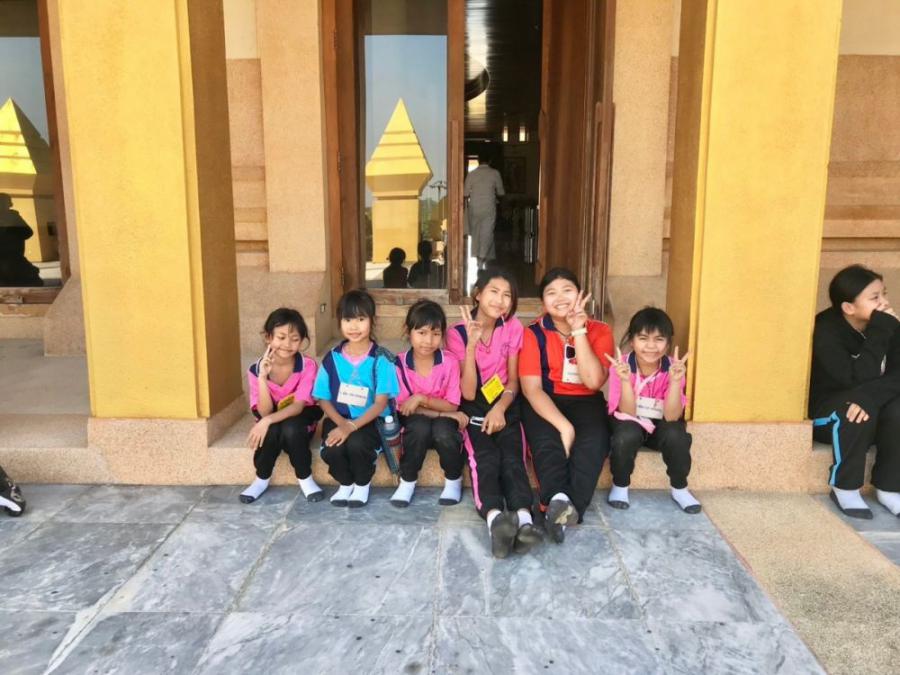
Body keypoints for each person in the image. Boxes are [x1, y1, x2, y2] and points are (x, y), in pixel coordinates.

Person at [446, 266, 541, 558]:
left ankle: (524, 520)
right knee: (485, 460)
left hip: (506, 405)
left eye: (507, 295)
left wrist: (500, 409)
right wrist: (472, 345)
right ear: (478, 294)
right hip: (474, 411)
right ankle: (495, 521)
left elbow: (512, 381)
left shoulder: (512, 327)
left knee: (513, 458)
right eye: (494, 292)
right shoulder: (456, 333)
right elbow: (468, 393)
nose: (500, 300)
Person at [519, 268, 614, 543]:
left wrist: (579, 330)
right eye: (551, 293)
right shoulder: (533, 333)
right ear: (543, 302)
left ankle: (561, 509)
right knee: (546, 442)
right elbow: (531, 389)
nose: (560, 298)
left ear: (580, 294)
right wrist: (564, 427)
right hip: (546, 398)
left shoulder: (601, 330)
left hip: (586, 399)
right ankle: (558, 501)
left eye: (567, 290)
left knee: (594, 442)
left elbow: (593, 381)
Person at [810, 264, 900, 519]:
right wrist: (881, 331)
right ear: (849, 307)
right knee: (854, 410)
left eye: (884, 294)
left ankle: (889, 487)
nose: (884, 303)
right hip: (829, 412)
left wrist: (869, 396)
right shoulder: (827, 329)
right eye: (875, 298)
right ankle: (845, 487)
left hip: (871, 403)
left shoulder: (887, 325)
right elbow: (852, 379)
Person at [605, 308, 698, 513]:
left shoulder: (674, 367)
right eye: (643, 338)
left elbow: (672, 416)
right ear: (632, 341)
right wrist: (625, 380)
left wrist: (675, 381)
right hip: (630, 421)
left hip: (659, 424)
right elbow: (627, 413)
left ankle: (680, 489)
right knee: (626, 434)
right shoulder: (620, 366)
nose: (650, 346)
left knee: (676, 434)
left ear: (668, 344)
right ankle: (620, 485)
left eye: (659, 339)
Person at [313, 289, 400, 507]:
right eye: (348, 319)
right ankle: (346, 483)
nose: (354, 326)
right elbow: (322, 398)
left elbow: (380, 403)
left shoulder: (381, 358)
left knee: (357, 445)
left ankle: (362, 484)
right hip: (339, 418)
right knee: (333, 448)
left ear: (372, 320)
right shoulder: (332, 358)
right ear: (339, 322)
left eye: (361, 319)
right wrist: (342, 424)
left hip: (371, 421)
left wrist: (351, 426)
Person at [240, 308, 324, 504]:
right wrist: (262, 378)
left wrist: (266, 420)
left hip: (301, 417)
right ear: (268, 337)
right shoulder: (255, 370)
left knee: (291, 428)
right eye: (281, 337)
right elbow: (265, 411)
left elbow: (298, 407)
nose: (287, 344)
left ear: (302, 341)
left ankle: (305, 477)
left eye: (294, 339)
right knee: (271, 431)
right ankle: (261, 479)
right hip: (273, 416)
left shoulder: (307, 365)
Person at [390, 300, 468, 507]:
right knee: (419, 427)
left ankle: (453, 479)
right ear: (409, 331)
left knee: (444, 431)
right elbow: (406, 408)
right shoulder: (399, 364)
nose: (428, 340)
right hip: (416, 424)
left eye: (435, 334)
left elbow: (452, 405)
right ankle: (407, 481)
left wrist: (421, 398)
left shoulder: (449, 361)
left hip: (443, 424)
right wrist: (443, 413)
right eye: (422, 333)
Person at [464, 152, 505, 269]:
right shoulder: (495, 173)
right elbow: (501, 192)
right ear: (490, 161)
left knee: (476, 233)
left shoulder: (472, 174)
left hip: (474, 207)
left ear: (478, 161)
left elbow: (465, 193)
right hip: (489, 207)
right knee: (487, 232)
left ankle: (478, 257)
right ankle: (482, 258)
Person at [0, 193, 43, 287]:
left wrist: (11, 228)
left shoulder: (13, 217)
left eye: (4, 203)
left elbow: (28, 232)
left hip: (14, 257)